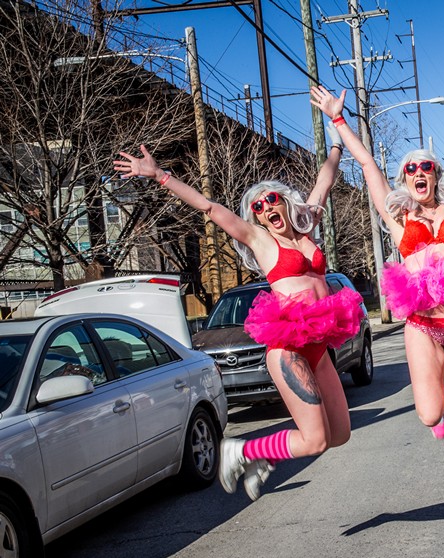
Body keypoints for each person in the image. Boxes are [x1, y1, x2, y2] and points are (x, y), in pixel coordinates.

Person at [113, 90, 362, 501]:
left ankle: (259, 456)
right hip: (290, 350)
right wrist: (159, 175)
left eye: (271, 200)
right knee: (314, 441)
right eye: (259, 207)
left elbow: (325, 177)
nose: (266, 208)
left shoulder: (307, 225)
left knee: (340, 435)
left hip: (319, 344)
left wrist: (336, 128)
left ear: (285, 200)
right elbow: (210, 207)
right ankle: (244, 450)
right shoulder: (261, 241)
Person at [312, 85, 444, 448]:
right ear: (405, 179)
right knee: (430, 416)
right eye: (410, 168)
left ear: (435, 174)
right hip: (422, 325)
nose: (418, 171)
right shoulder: (397, 217)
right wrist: (337, 118)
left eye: (425, 166)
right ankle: (440, 396)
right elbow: (367, 163)